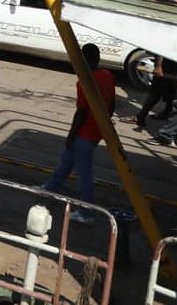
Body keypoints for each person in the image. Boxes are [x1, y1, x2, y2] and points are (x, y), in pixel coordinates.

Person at [42, 43, 116, 221]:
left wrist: (71, 135)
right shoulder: (107, 75)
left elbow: (81, 112)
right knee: (67, 161)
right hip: (97, 130)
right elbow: (112, 103)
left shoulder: (84, 81)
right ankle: (51, 188)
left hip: (84, 133)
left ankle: (86, 213)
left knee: (84, 175)